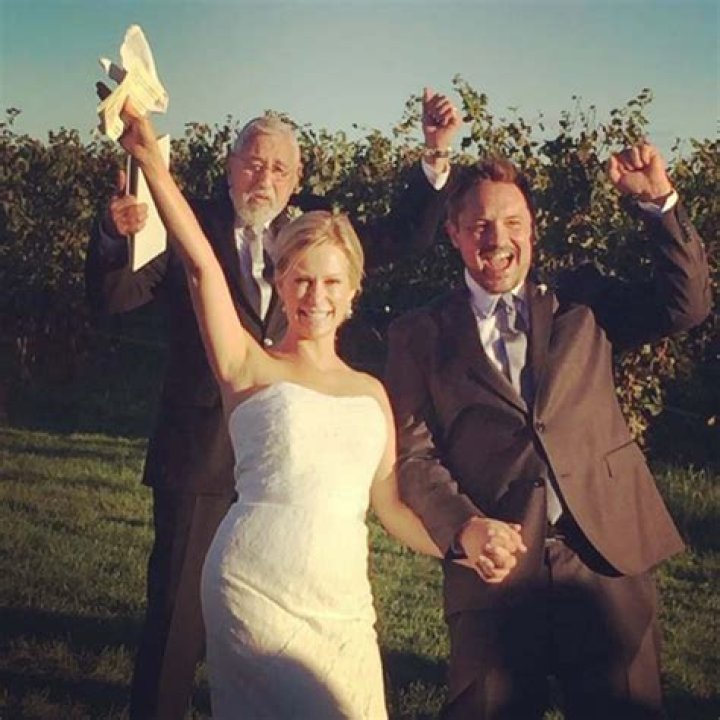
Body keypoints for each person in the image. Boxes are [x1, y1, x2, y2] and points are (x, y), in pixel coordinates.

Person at [85, 91, 461, 718]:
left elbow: (392, 506)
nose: (315, 294)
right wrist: (139, 180)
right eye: (253, 163)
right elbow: (162, 282)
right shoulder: (193, 236)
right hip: (213, 481)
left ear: (351, 290)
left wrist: (465, 542)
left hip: (337, 592)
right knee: (173, 628)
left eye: (279, 167)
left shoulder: (326, 263)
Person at [385, 144, 711, 718]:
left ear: (532, 229)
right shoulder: (419, 334)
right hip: (496, 571)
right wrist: (464, 528)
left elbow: (686, 305)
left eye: (513, 222)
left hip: (605, 559)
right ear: (454, 234)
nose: (497, 238)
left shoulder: (583, 302)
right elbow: (414, 457)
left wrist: (659, 205)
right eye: (480, 225)